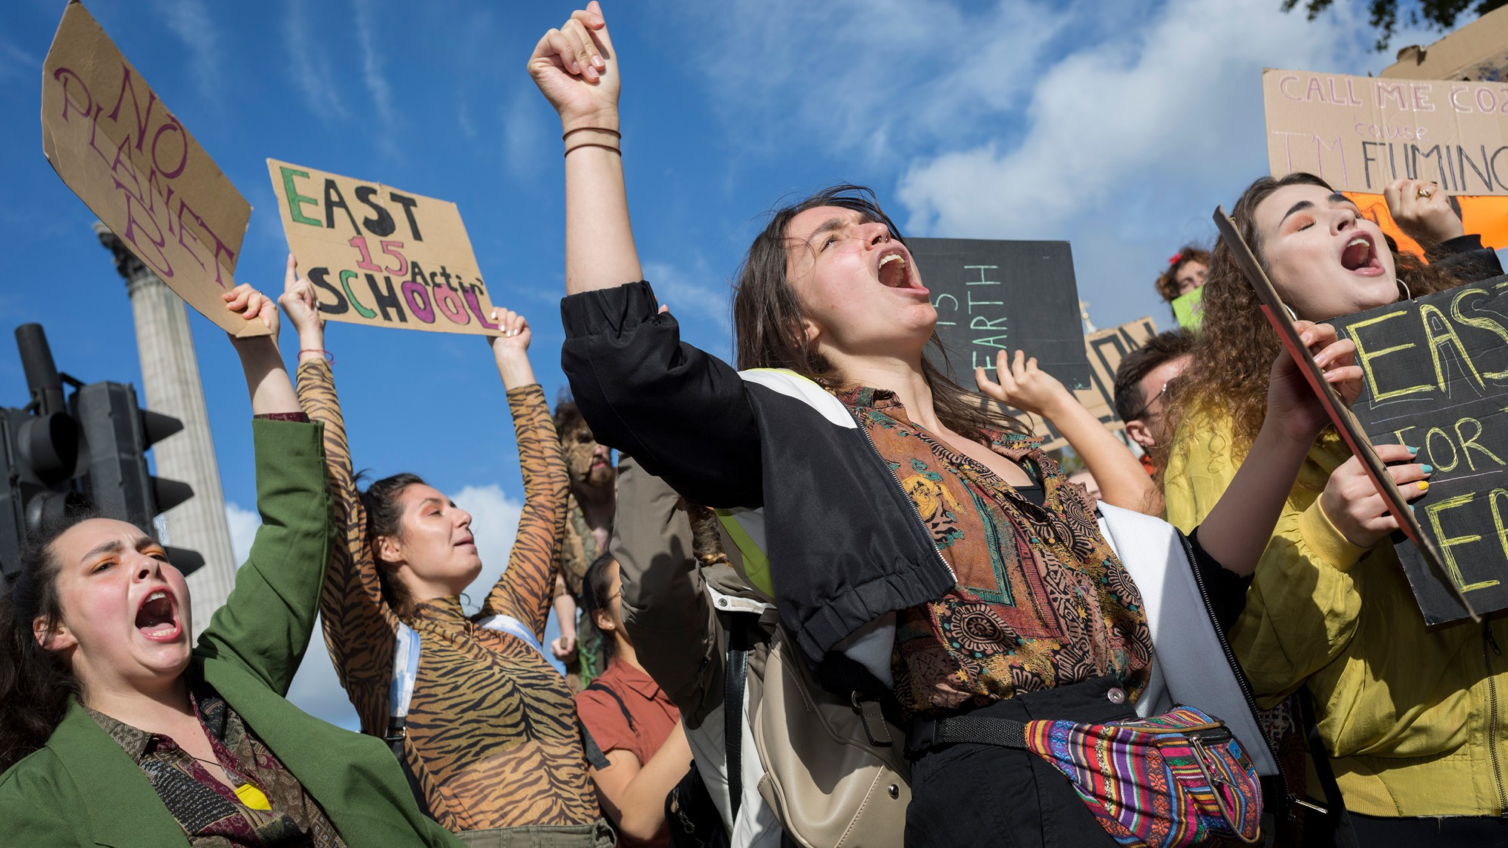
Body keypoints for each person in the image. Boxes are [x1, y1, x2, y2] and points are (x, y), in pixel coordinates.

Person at [527, 7, 1362, 845]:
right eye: (833, 241)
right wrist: (590, 129)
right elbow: (628, 370)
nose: (877, 234)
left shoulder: (1015, 449)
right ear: (798, 328)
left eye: (879, 226)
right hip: (1013, 802)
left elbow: (1188, 600)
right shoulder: (806, 437)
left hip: (1174, 789)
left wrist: (1286, 432)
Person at [0, 284, 460, 847]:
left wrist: (258, 350)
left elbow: (297, 524)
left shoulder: (232, 673)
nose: (147, 568)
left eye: (155, 555)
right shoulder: (33, 798)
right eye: (104, 567)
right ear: (53, 630)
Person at [1164, 172, 1508, 845]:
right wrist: (1332, 532)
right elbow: (1247, 664)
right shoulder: (1222, 424)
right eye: (1304, 222)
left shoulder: (1480, 357)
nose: (1347, 222)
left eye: (1350, 211)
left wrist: (1452, 244)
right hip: (1404, 813)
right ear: (1260, 285)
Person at [280, 258, 611, 846]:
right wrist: (311, 345)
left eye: (455, 505)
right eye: (435, 511)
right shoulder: (379, 650)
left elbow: (548, 494)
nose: (463, 516)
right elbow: (332, 494)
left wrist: (510, 358)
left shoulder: (510, 623)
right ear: (384, 547)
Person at [574, 552, 693, 847]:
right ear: (604, 618)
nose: (650, 592)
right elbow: (636, 819)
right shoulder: (597, 704)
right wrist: (703, 701)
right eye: (629, 585)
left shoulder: (693, 671)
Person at [550, 400, 616, 690]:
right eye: (585, 440)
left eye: (604, 439)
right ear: (563, 449)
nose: (600, 449)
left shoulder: (632, 487)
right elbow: (559, 578)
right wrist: (567, 633)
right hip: (591, 635)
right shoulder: (556, 510)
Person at [1112, 329, 1195, 479]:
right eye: (1178, 389)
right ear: (1141, 432)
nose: (1205, 393)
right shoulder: (1154, 501)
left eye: (1209, 378)